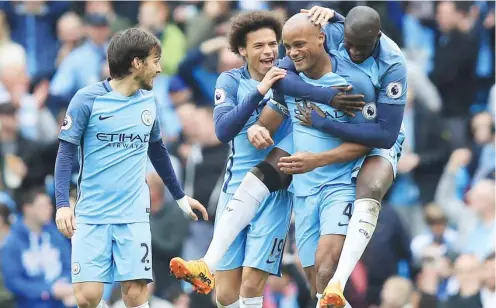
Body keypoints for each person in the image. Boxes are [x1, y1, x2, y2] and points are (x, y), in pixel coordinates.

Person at [172, 6, 407, 308]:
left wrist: (321, 132)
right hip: (286, 185)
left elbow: (377, 137)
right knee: (245, 292)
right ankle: (206, 263)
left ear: (322, 39)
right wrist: (258, 127)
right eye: (281, 46)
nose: (282, 52)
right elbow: (261, 109)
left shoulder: (363, 77)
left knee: (278, 280)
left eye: (274, 44)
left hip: (332, 181)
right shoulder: (272, 78)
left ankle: (339, 280)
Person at [54, 28, 208, 308]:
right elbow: (65, 153)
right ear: (137, 63)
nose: (159, 68)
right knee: (87, 299)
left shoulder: (149, 102)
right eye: (155, 60)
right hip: (91, 214)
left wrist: (179, 196)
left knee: (136, 296)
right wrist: (63, 203)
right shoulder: (87, 99)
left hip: (134, 215)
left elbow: (158, 151)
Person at [170, 11, 294, 308]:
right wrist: (259, 92)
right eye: (258, 45)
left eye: (272, 44)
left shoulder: (290, 78)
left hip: (272, 194)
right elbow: (223, 129)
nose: (268, 51)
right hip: (234, 189)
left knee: (252, 282)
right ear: (242, 51)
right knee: (225, 294)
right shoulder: (231, 80)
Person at [1, 187, 74, 308]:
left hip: (64, 298)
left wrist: (66, 286)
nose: (50, 209)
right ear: (28, 209)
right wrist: (49, 290)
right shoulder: (12, 241)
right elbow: (13, 282)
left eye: (49, 205)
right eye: (43, 206)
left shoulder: (55, 233)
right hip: (31, 303)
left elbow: (69, 263)